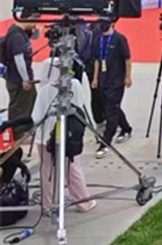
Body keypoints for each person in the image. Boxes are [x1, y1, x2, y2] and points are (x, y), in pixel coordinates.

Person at [0, 60, 96, 213]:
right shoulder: (75, 85)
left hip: (46, 138)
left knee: (47, 171)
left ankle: (48, 204)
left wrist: (11, 123)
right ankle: (83, 201)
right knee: (72, 169)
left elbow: (36, 117)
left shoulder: (45, 91)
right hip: (69, 135)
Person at [92, 16, 132, 158]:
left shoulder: (119, 39)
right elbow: (97, 60)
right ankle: (126, 128)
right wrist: (95, 78)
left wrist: (127, 76)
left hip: (117, 81)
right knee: (111, 107)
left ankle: (105, 143)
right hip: (103, 80)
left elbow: (127, 58)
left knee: (111, 113)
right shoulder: (97, 40)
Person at [2, 12, 40, 142]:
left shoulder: (22, 33)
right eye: (34, 21)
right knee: (19, 107)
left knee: (30, 103)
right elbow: (19, 59)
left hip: (23, 77)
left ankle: (26, 130)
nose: (35, 25)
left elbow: (35, 38)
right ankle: (17, 134)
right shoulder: (16, 36)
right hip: (18, 79)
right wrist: (25, 79)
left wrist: (36, 31)